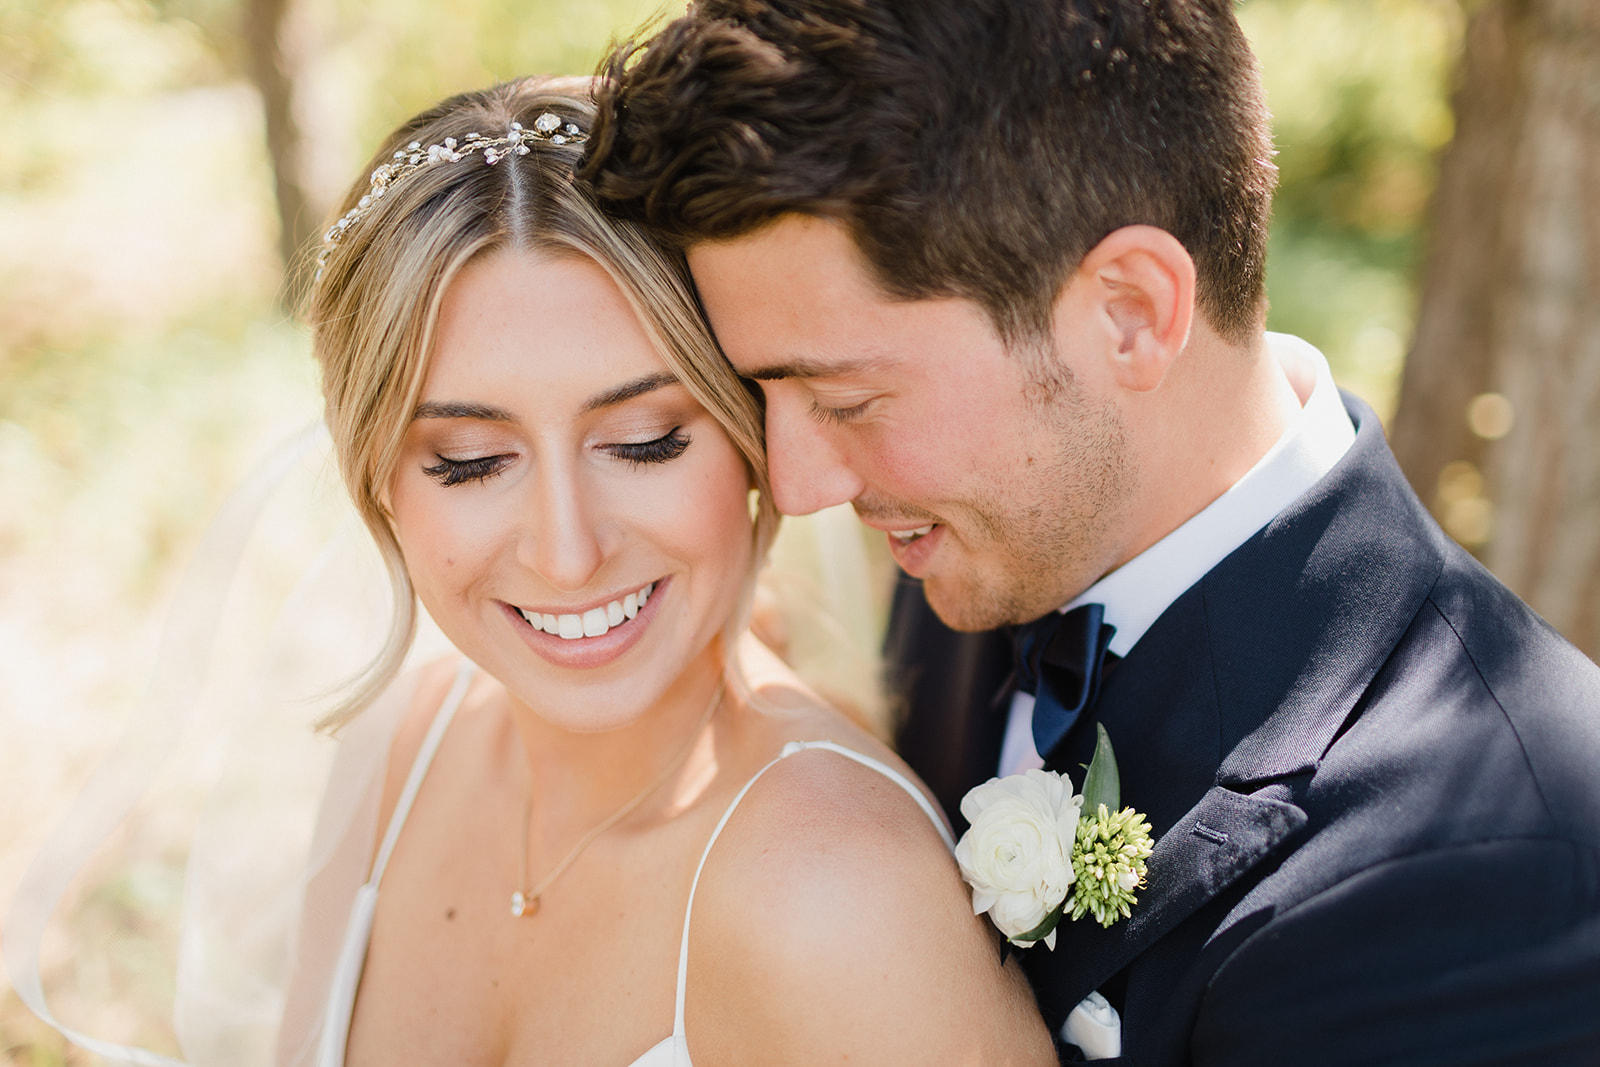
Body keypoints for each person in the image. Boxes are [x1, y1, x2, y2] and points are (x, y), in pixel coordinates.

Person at [582, 2, 1600, 1063]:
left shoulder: (1495, 874)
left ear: (1130, 311)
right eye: (763, 391)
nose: (793, 484)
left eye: (845, 398)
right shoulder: (988, 541)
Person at [275, 75, 1054, 1066]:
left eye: (643, 442)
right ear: (380, 477)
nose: (567, 550)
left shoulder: (835, 893)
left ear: (751, 441)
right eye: (469, 459)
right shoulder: (397, 751)